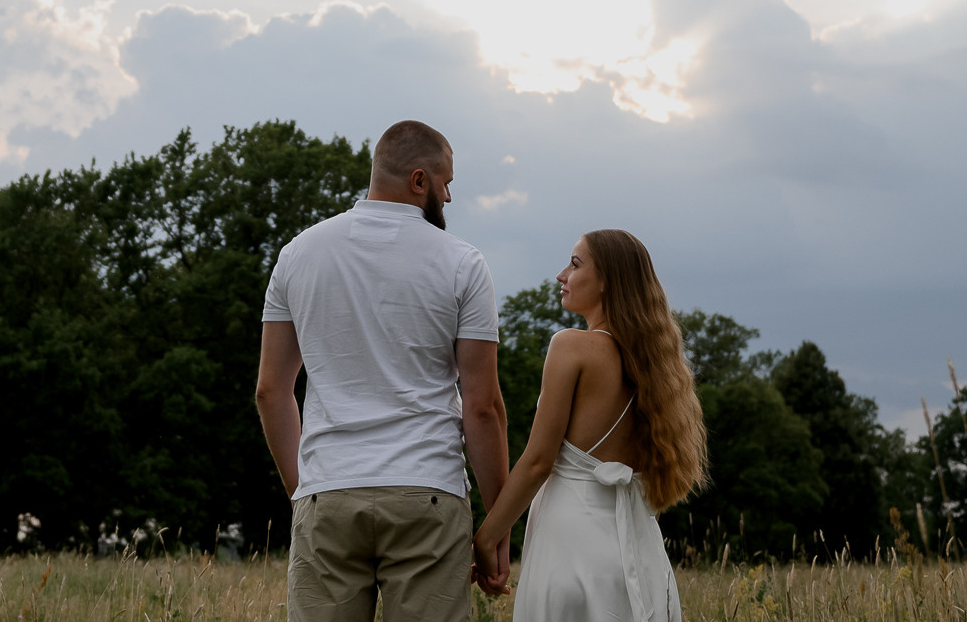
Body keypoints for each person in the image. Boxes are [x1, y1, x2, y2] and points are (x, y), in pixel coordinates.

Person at [255, 119, 513, 622]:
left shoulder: (297, 254)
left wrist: (304, 491)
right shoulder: (463, 263)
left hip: (328, 490)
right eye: (447, 184)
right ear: (419, 181)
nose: (449, 197)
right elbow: (483, 409)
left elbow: (270, 391)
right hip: (427, 493)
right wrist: (496, 527)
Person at [473, 229, 708, 622]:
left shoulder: (572, 346)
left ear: (607, 282)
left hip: (571, 550)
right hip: (641, 554)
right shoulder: (656, 369)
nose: (561, 275)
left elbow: (537, 462)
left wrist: (486, 537)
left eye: (575, 264)